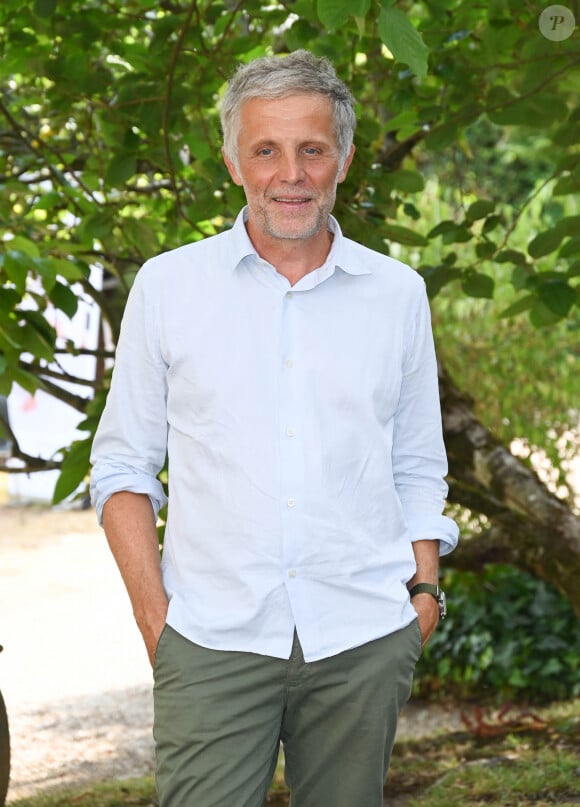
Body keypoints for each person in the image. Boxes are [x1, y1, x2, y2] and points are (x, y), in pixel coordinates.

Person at [90, 49, 458, 807]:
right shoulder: (168, 287)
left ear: (344, 160)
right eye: (266, 149)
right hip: (211, 640)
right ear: (233, 162)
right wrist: (159, 623)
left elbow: (417, 462)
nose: (290, 173)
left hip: (362, 637)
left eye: (311, 149)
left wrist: (422, 594)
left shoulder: (397, 295)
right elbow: (123, 467)